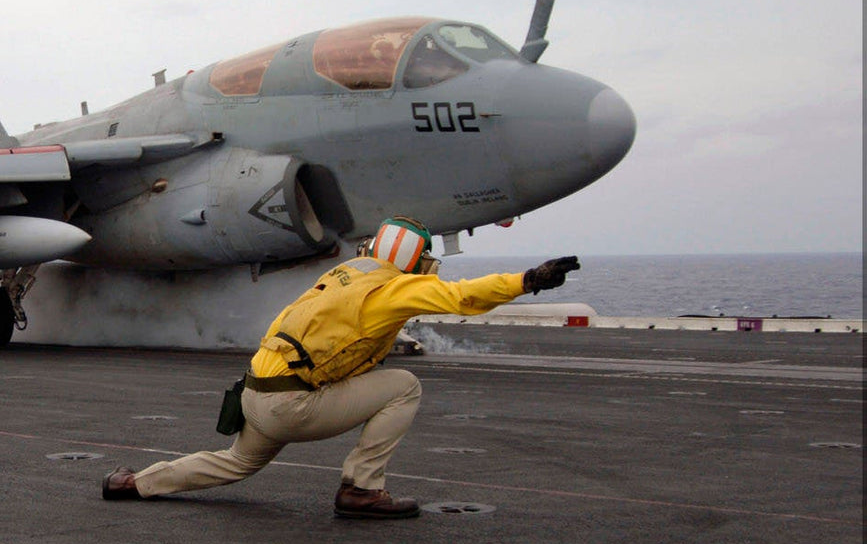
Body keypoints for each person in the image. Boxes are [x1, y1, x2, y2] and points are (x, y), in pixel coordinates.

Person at [101, 217, 579, 519]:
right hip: (293, 404)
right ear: (414, 260)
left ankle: (136, 483)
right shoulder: (394, 287)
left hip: (256, 392)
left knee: (236, 462)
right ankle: (362, 490)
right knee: (405, 386)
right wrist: (527, 280)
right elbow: (462, 296)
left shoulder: (340, 275)